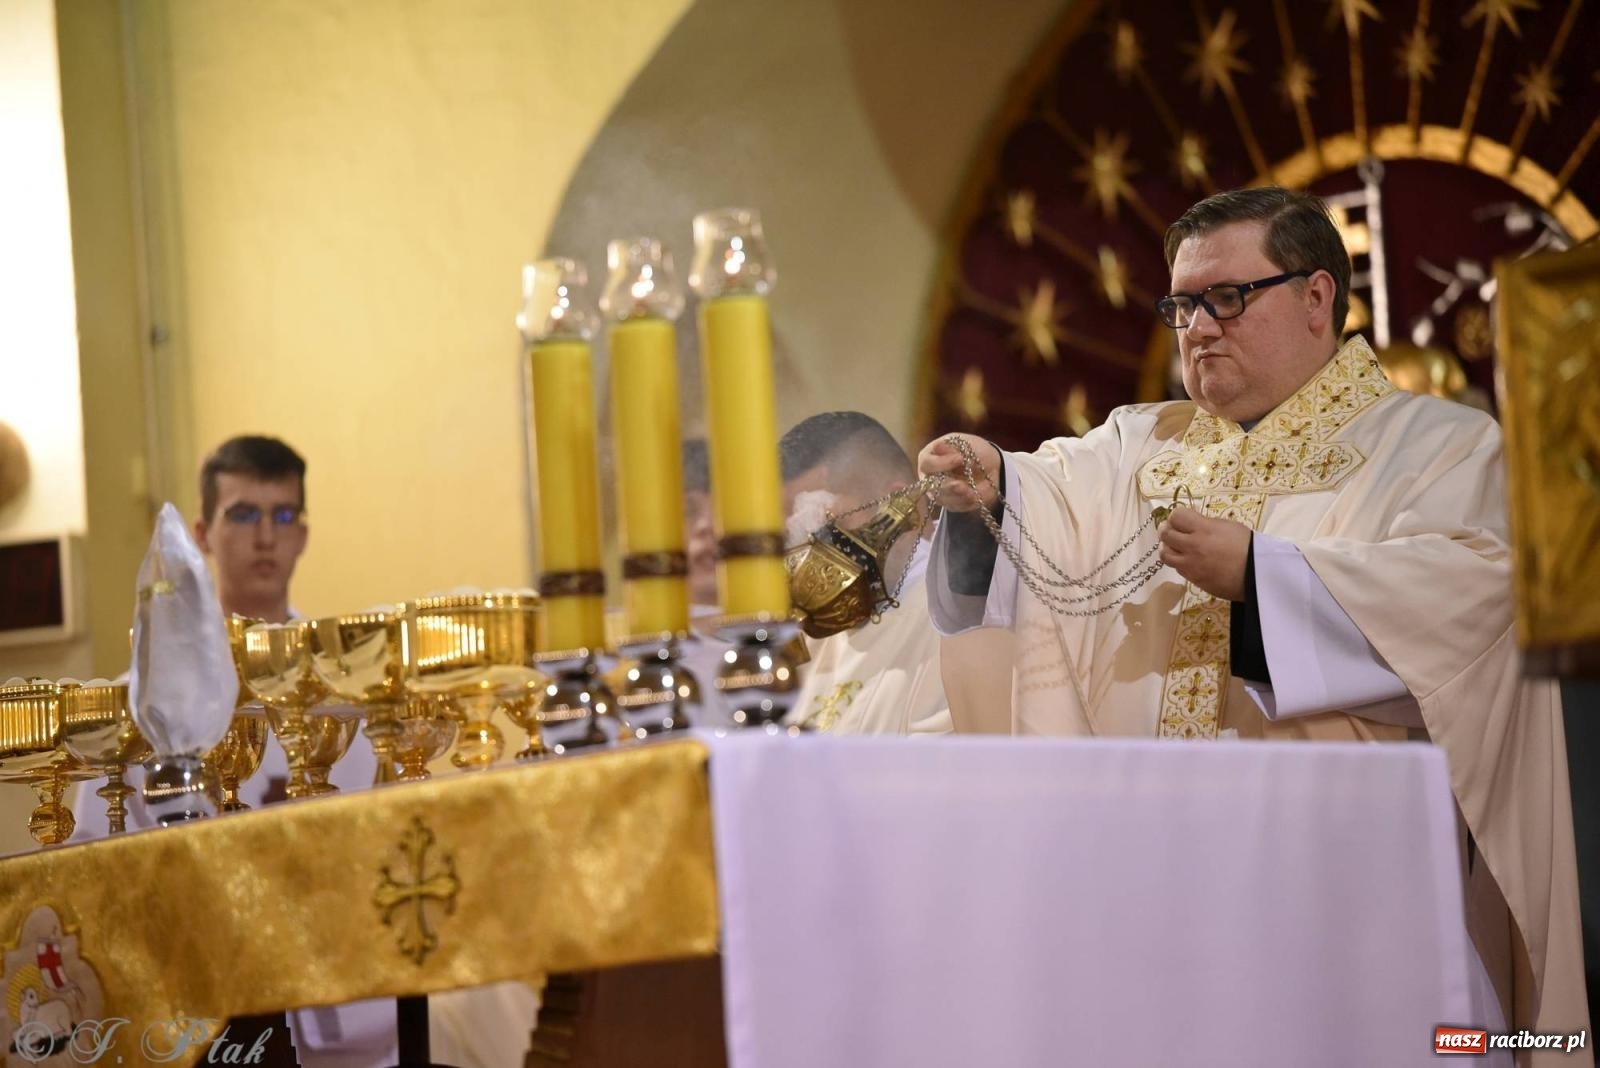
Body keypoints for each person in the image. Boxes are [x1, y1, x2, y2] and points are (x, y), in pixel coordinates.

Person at [918, 187, 1587, 1060]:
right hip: (1147, 889)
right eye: (1181, 305)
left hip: (1340, 896)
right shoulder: (1138, 445)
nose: (1197, 327)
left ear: (1317, 299)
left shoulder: (1438, 447)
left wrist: (1267, 579)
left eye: (1226, 299)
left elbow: (1472, 602)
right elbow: (1047, 501)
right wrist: (991, 485)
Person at [780, 412, 950, 734]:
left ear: (900, 503)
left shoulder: (959, 620)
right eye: (797, 533)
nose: (809, 559)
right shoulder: (811, 637)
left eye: (828, 523)